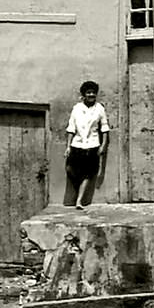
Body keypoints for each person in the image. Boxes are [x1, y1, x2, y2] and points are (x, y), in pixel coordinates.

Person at [64, 80, 110, 210]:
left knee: (88, 174)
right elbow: (71, 128)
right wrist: (68, 146)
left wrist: (103, 145)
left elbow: (105, 129)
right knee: (70, 169)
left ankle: (79, 200)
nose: (91, 95)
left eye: (93, 93)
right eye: (88, 92)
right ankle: (78, 190)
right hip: (77, 145)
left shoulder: (99, 109)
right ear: (84, 94)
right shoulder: (77, 108)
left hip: (92, 145)